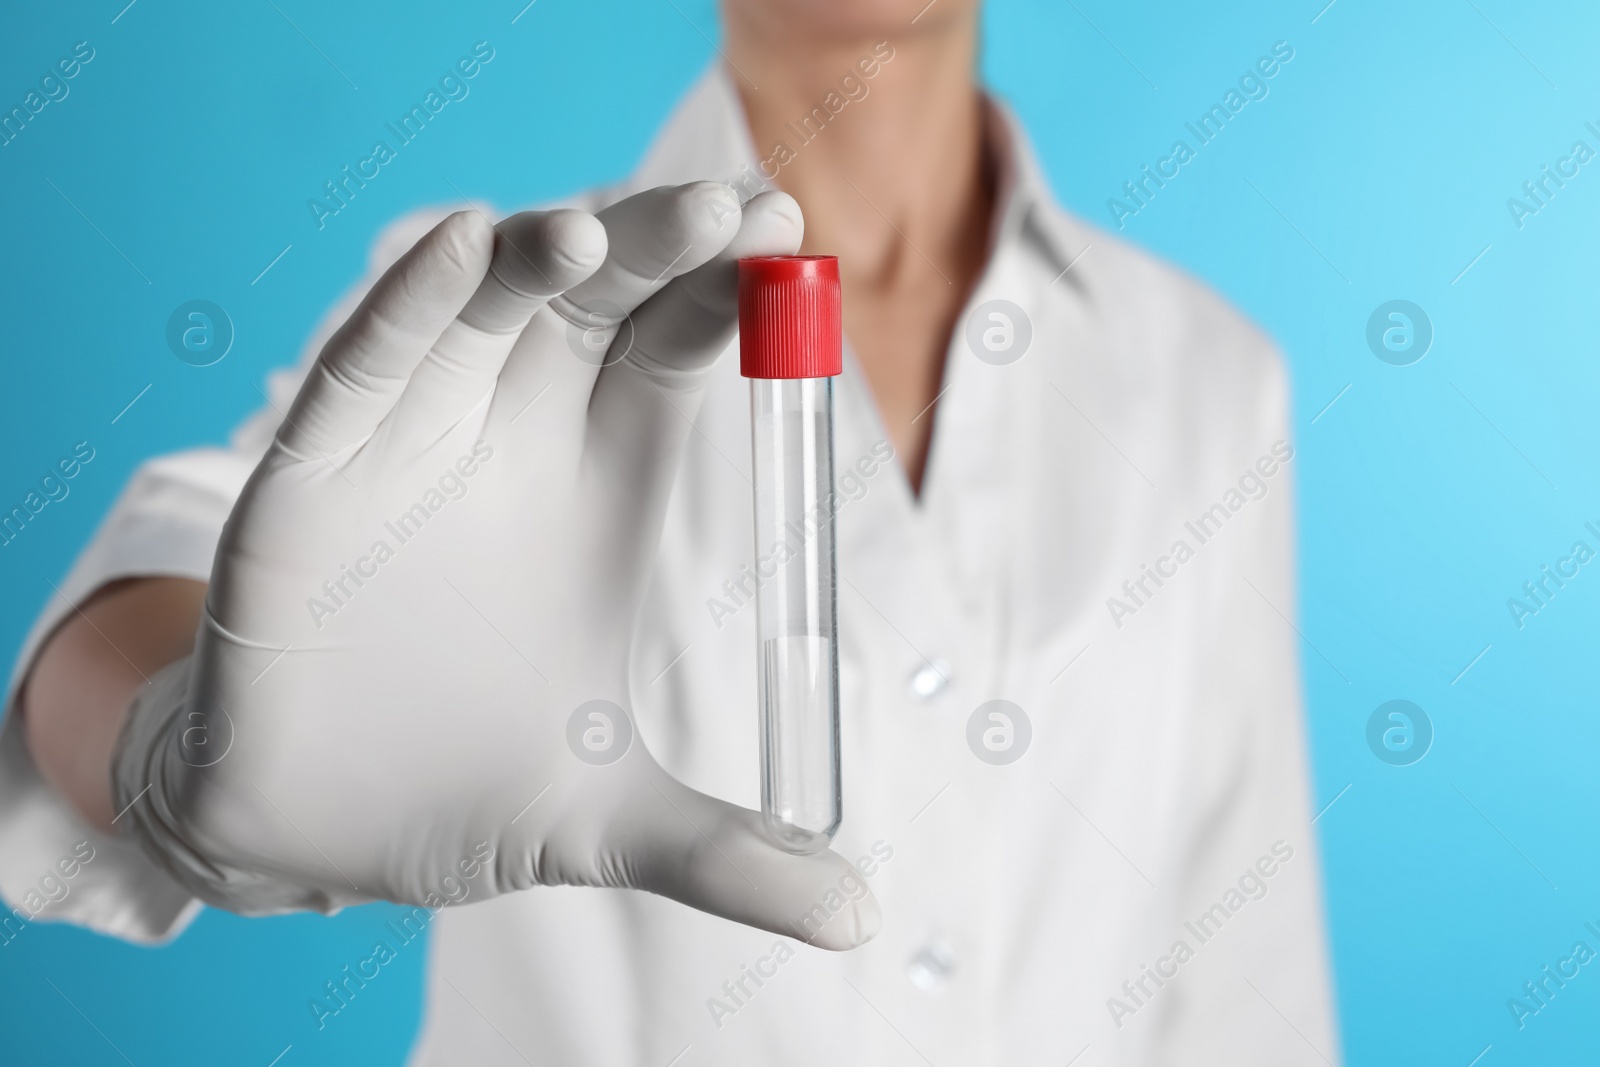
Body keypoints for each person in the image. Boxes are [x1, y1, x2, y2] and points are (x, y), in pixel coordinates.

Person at [1, 0, 1340, 1063]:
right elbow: (174, 562)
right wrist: (176, 739)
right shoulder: (504, 304)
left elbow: (1242, 965)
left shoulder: (1207, 378)